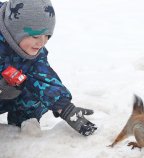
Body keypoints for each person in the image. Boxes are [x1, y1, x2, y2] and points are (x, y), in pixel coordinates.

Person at [0, 0, 97, 136]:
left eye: (47, 36)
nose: (41, 43)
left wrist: (64, 107)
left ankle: (21, 131)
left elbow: (43, 77)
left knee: (35, 91)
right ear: (14, 30)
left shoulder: (33, 50)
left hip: (9, 92)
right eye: (35, 36)